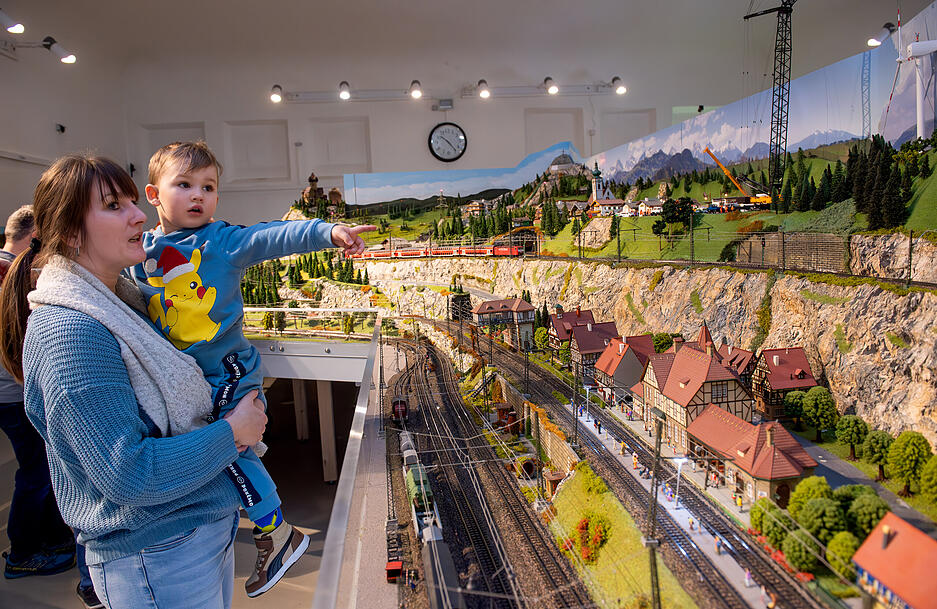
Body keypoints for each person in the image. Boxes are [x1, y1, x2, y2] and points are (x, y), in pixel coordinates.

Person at [0, 155, 268, 609]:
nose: (138, 215)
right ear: (69, 232)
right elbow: (127, 473)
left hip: (191, 532)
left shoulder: (125, 303)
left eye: (131, 200)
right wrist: (232, 433)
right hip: (156, 553)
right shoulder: (71, 333)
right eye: (113, 205)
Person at [129, 141, 374, 597]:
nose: (198, 195)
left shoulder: (220, 241)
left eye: (208, 187)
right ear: (153, 194)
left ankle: (277, 531)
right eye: (183, 185)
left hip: (227, 371)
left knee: (232, 446)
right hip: (182, 378)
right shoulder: (139, 250)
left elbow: (273, 236)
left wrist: (330, 231)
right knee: (197, 448)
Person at [0, 205, 102, 608]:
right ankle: (24, 554)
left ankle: (45, 542)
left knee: (46, 472)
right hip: (15, 393)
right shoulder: (12, 276)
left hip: (19, 390)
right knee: (39, 474)